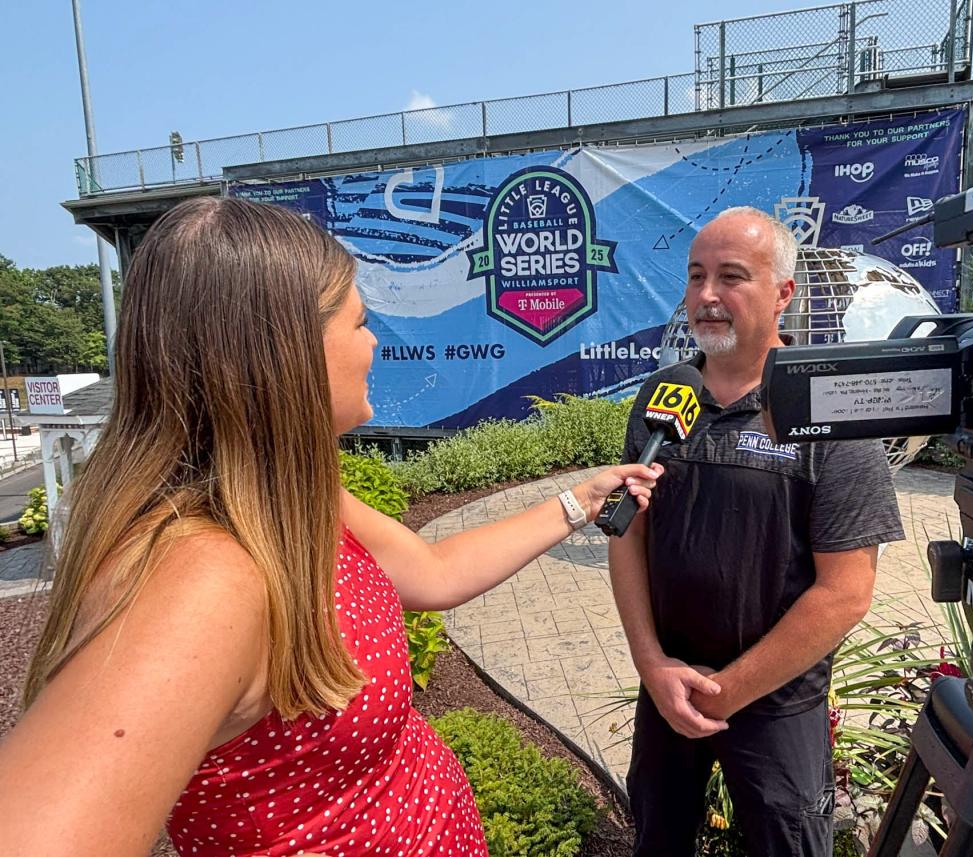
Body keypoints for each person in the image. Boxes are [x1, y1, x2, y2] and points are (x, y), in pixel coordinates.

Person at [0, 196, 661, 857]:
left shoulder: (282, 503)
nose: (373, 342)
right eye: (359, 321)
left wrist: (578, 500)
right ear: (282, 353)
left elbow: (435, 572)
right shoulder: (203, 575)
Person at [609, 206, 906, 856]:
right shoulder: (665, 394)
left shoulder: (829, 408)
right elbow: (626, 533)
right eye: (695, 276)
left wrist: (724, 691)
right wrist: (651, 664)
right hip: (666, 688)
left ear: (783, 294)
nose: (706, 296)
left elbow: (846, 591)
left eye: (731, 276)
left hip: (775, 704)